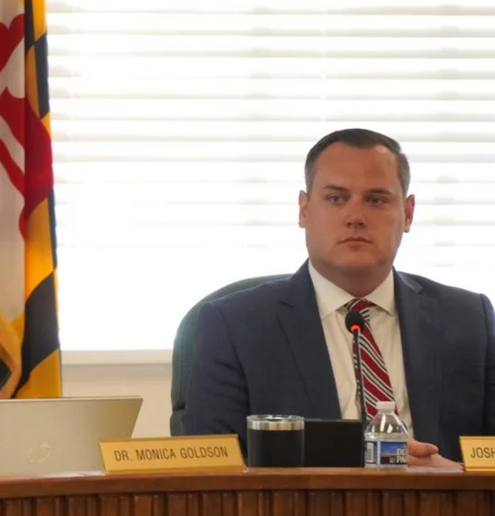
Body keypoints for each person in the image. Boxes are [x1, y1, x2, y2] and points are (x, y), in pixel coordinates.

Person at [180, 128, 495, 465]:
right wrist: (368, 460)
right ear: (303, 210)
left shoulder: (470, 319)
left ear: (407, 213)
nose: (355, 217)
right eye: (336, 198)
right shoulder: (233, 326)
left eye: (376, 200)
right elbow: (211, 469)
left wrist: (452, 478)